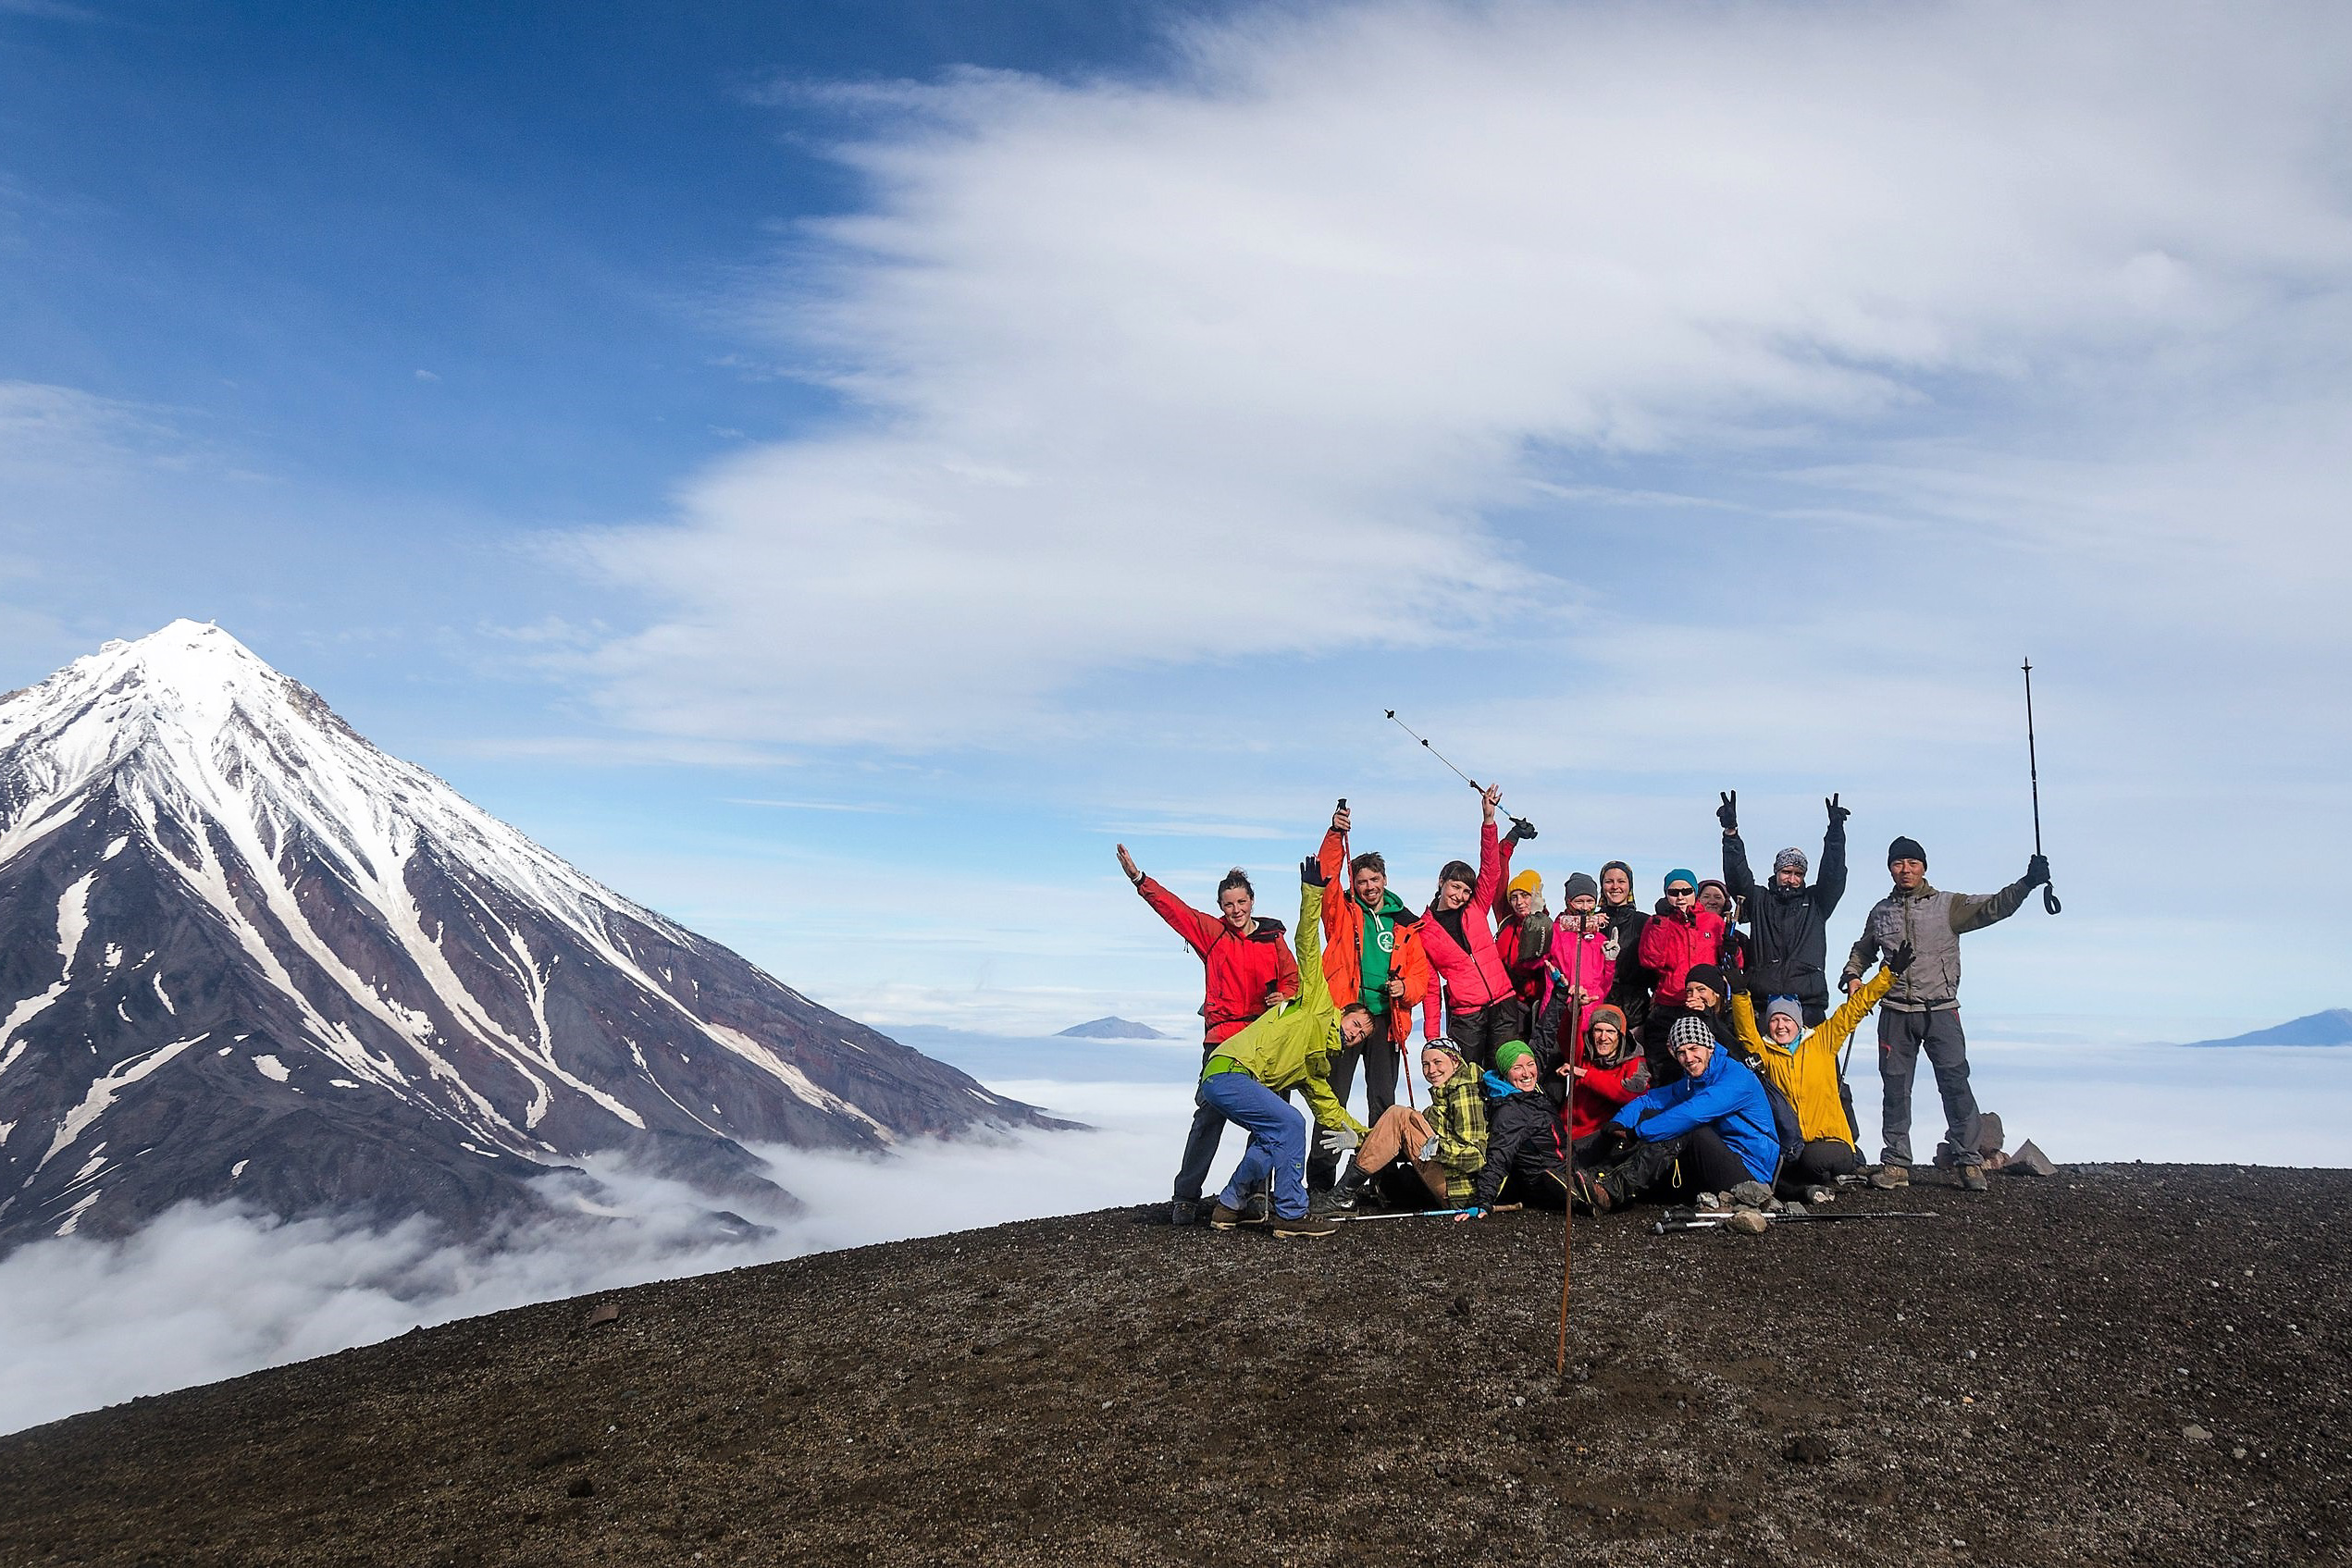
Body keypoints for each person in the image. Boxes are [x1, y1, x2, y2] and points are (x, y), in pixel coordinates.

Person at [1842, 836, 2049, 1193]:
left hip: (1941, 1009)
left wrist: (2028, 883)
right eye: (1898, 864)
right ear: (1890, 868)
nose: (1905, 870)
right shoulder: (1881, 911)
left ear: (1924, 867)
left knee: (1955, 1085)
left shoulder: (1948, 905)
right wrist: (1852, 975)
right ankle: (1895, 1164)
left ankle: (1969, 1162)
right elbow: (1863, 950)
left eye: (1912, 863)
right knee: (1895, 1089)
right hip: (1894, 1011)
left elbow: (1995, 906)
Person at [1117, 846, 1302, 1225]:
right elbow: (1175, 911)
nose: (1235, 909)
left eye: (1241, 901)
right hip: (1223, 1040)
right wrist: (1141, 881)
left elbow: (1294, 981)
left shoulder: (1273, 938)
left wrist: (1284, 995)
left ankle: (1252, 1193)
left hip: (1266, 1040)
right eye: (1228, 903)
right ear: (1221, 906)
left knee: (1269, 1118)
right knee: (1209, 1116)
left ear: (1252, 901)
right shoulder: (1213, 934)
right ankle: (1186, 1195)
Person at [1199, 857, 1375, 1238]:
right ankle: (1293, 1214)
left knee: (1272, 1137)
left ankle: (1229, 1206)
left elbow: (1332, 1116)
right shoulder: (1318, 1001)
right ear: (1344, 1013)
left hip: (1229, 1077)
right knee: (1292, 1123)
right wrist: (1312, 892)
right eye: (1356, 1023)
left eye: (1361, 1035)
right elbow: (1307, 943)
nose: (1355, 1033)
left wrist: (1375, 1142)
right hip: (1228, 1067)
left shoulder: (1317, 1068)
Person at [1312, 802, 1434, 1188]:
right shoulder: (1343, 912)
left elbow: (1421, 976)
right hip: (1347, 1016)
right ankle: (1319, 1184)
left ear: (1384, 878)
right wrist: (1335, 835)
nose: (1369, 887)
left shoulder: (1406, 923)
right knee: (1333, 1101)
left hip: (1387, 1021)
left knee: (1382, 1102)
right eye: (1362, 880)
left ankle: (1381, 1181)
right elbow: (1326, 876)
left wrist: (1405, 989)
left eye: (1374, 879)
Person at [1727, 944, 1912, 1192]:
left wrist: (1890, 974)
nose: (1780, 1026)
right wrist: (1739, 994)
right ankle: (1815, 1185)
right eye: (1774, 1020)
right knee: (1789, 1166)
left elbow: (1855, 1009)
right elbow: (1746, 1033)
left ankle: (1831, 1176)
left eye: (1786, 1019)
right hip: (1793, 1144)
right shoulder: (1767, 1054)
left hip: (1832, 1140)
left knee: (1812, 1162)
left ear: (1798, 1022)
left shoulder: (1823, 1040)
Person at [1573, 1015, 1780, 1213]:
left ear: (1710, 1047)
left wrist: (1636, 1132)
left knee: (1686, 1128)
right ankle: (1594, 1177)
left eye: (1693, 1048)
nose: (1688, 1058)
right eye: (1681, 1052)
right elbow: (1652, 1099)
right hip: (1719, 1159)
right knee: (1652, 1115)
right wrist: (1619, 1122)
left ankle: (1612, 1188)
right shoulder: (1696, 1080)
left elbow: (1691, 1115)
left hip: (1751, 1174)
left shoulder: (1737, 1078)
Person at [1416, 784, 1530, 1070]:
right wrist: (1432, 1037)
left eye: (1466, 890)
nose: (1460, 895)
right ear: (1441, 882)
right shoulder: (1423, 931)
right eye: (1455, 887)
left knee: (1505, 1073)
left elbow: (1491, 870)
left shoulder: (1476, 908)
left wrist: (1488, 821)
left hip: (1504, 1004)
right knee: (1469, 1077)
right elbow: (1431, 987)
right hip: (1466, 1016)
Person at [1718, 790, 1850, 1027]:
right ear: (1776, 872)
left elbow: (1833, 873)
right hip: (1762, 1002)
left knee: (1820, 1064)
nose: (1791, 878)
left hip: (1808, 1003)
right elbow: (1737, 878)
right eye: (1786, 872)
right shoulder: (1759, 899)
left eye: (1798, 874)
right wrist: (1731, 834)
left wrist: (1836, 833)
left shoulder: (1818, 902)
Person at [1322, 1038, 1488, 1213]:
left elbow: (1478, 1157)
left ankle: (1341, 1196)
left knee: (1400, 1115)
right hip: (1451, 1184)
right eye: (1425, 1064)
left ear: (1455, 1062)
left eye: (1437, 1062)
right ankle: (1342, 1195)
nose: (1431, 1070)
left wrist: (1440, 1150)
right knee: (1406, 1117)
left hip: (1461, 1192)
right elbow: (1396, 1138)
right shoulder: (1440, 1102)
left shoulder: (1465, 1093)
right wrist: (1360, 1141)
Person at [1456, 1041, 1568, 1217]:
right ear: (1505, 1073)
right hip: (1547, 1180)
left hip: (1563, 1162)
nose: (1526, 1073)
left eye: (1530, 1065)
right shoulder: (1511, 1109)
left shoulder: (1530, 1093)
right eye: (1517, 1068)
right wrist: (1483, 1202)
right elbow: (1499, 1155)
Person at [1636, 870, 1727, 1080]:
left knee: (1705, 1066)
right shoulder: (1657, 922)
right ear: (1665, 895)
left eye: (1686, 891)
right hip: (1669, 1004)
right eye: (1673, 892)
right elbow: (1650, 960)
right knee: (1664, 1068)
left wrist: (1733, 949)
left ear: (1695, 892)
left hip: (1704, 1006)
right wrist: (1661, 923)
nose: (1680, 897)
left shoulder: (1713, 921)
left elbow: (1733, 961)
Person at [1532, 872, 1616, 1095]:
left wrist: (1610, 961)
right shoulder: (1556, 932)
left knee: (1584, 1081)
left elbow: (1604, 983)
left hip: (1589, 1017)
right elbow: (1536, 960)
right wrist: (1536, 921)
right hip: (1558, 1013)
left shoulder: (1599, 938)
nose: (1584, 906)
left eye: (1590, 901)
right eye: (1579, 901)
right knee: (1553, 1081)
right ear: (1568, 901)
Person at [1558, 1003, 1648, 1153]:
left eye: (1610, 1031)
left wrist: (1585, 1074)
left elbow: (1630, 1094)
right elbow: (1567, 1036)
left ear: (1620, 1035)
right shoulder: (1585, 1056)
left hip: (1597, 1139)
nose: (1603, 1037)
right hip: (1564, 1131)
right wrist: (1574, 1010)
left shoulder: (1635, 1063)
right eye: (1598, 1030)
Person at [1597, 860, 1652, 1036]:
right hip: (1599, 1008)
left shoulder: (1644, 922)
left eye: (1621, 881)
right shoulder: (1592, 922)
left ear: (1630, 885)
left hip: (1636, 1011)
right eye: (1609, 881)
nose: (1615, 887)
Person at [1495, 867, 1551, 1039]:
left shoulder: (1549, 928)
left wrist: (1535, 919)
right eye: (1514, 897)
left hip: (1537, 1006)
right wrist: (1510, 843)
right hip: (1506, 1005)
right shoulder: (1507, 922)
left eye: (1525, 895)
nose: (1519, 902)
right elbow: (1497, 876)